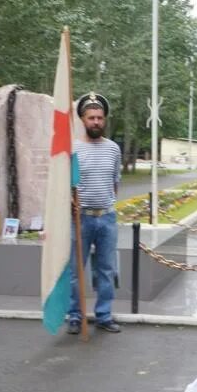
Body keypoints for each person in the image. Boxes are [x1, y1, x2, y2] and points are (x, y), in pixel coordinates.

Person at [67, 92, 123, 335]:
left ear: (105, 120)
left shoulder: (113, 149)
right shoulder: (74, 150)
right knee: (75, 271)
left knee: (106, 270)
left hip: (107, 218)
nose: (96, 122)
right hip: (81, 218)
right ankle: (74, 316)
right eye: (91, 117)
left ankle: (104, 315)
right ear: (82, 119)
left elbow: (115, 182)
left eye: (100, 117)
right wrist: (70, 199)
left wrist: (108, 203)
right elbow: (68, 184)